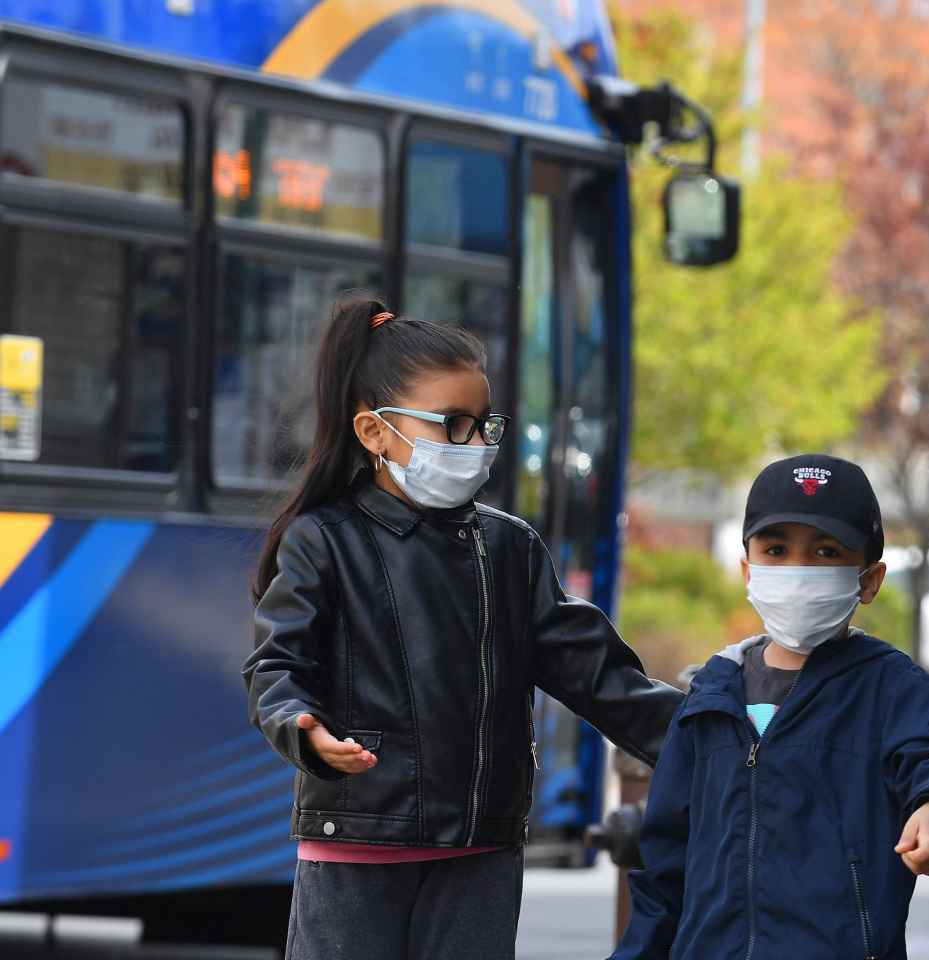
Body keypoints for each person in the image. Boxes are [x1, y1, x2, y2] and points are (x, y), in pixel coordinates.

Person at [243, 290, 682, 960]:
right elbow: (277, 665)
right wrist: (298, 724)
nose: (475, 445)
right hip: (359, 843)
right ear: (374, 431)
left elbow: (595, 674)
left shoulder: (509, 548)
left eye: (483, 425)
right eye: (452, 424)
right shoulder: (322, 541)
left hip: (481, 849)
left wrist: (707, 732)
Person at [612, 454, 929, 959]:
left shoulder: (891, 689)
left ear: (870, 579)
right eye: (777, 549)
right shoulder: (710, 697)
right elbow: (665, 872)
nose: (799, 569)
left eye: (827, 552)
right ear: (748, 569)